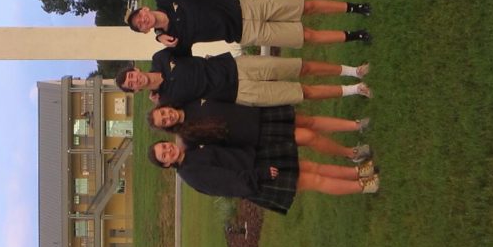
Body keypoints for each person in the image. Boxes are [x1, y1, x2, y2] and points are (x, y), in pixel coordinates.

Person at [148, 130, 381, 213]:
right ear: (167, 165)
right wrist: (260, 174)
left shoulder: (190, 151)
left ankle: (360, 172)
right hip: (260, 177)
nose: (168, 150)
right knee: (315, 180)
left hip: (259, 159)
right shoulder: (192, 174)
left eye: (165, 146)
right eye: (164, 155)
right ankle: (364, 186)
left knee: (312, 166)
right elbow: (228, 183)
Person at [125, 0, 372, 50]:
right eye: (140, 26)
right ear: (145, 31)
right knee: (305, 35)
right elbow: (173, 60)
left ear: (145, 9)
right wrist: (160, 38)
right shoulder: (171, 39)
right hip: (244, 32)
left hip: (245, 7)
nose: (143, 21)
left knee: (305, 7)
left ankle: (356, 8)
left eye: (140, 17)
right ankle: (355, 36)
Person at [115, 48, 372, 107]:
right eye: (131, 86)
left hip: (237, 67)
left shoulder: (162, 57)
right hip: (237, 94)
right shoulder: (166, 100)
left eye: (131, 77)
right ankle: (355, 90)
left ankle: (351, 71)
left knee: (298, 68)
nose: (134, 81)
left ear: (136, 70)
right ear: (135, 91)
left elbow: (185, 37)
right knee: (299, 92)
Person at [147, 100, 373, 164]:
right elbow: (193, 159)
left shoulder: (189, 100)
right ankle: (351, 154)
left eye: (163, 112)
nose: (168, 116)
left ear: (165, 106)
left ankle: (356, 125)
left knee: (310, 121)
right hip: (257, 137)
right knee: (308, 137)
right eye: (164, 121)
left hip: (258, 113)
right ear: (166, 128)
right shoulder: (188, 137)